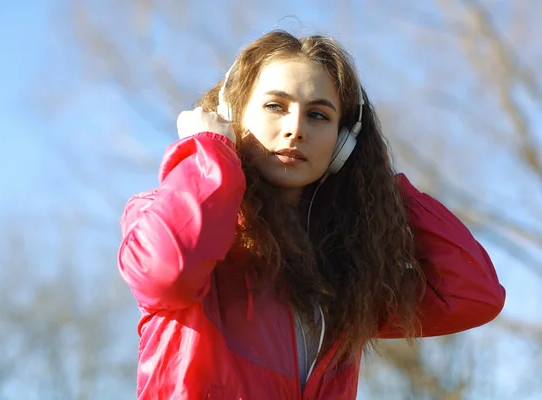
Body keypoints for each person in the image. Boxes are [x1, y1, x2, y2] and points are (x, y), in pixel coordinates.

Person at [117, 30, 505, 399]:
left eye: (318, 115)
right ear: (232, 115)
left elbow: (473, 295)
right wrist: (209, 151)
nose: (295, 129)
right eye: (275, 106)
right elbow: (168, 275)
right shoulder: (158, 213)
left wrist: (385, 189)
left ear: (343, 145)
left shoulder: (346, 273)